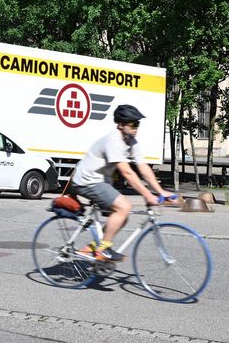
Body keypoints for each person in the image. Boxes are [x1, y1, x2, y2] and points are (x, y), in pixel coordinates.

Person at [70, 104, 177, 265]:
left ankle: (95, 247)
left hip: (100, 179)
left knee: (122, 216)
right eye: (133, 124)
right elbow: (127, 172)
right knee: (124, 207)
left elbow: (143, 168)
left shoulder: (132, 142)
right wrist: (148, 195)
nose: (136, 128)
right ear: (120, 124)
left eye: (138, 124)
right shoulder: (114, 140)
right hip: (87, 180)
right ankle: (102, 249)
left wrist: (160, 191)